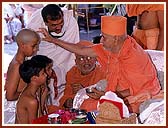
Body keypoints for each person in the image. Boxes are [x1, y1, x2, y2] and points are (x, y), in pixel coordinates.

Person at [38, 15, 161, 113]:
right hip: (115, 92)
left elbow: (139, 88)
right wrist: (53, 40)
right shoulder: (110, 47)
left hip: (138, 96)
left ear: (116, 39)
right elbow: (81, 50)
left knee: (115, 111)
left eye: (104, 37)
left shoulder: (134, 57)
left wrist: (108, 96)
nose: (101, 40)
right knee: (86, 105)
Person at [27, 4, 80, 73]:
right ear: (45, 23)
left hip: (66, 62)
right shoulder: (35, 26)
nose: (58, 28)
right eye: (54, 25)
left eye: (61, 23)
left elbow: (75, 47)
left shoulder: (70, 22)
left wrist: (52, 40)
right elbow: (30, 51)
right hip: (44, 62)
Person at [4, 28, 40, 124]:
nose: (36, 49)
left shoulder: (22, 61)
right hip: (15, 107)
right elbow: (10, 96)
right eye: (33, 46)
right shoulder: (17, 65)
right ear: (22, 46)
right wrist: (29, 93)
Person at [59, 41, 106, 110]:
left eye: (89, 58)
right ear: (76, 62)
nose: (86, 61)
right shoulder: (71, 74)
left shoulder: (103, 73)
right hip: (76, 109)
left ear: (96, 59)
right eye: (81, 58)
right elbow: (66, 96)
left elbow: (105, 97)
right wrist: (68, 102)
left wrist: (83, 92)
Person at [15, 59, 47, 124]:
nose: (46, 75)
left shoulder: (37, 90)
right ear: (34, 78)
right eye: (43, 73)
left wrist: (44, 94)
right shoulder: (31, 101)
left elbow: (40, 114)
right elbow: (34, 124)